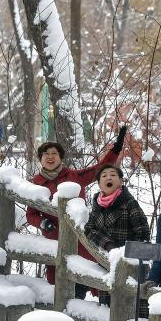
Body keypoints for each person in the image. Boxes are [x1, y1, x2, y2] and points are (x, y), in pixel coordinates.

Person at [26, 126, 128, 296]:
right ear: (40, 158)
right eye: (46, 154)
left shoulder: (73, 176)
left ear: (61, 158)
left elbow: (100, 167)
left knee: (86, 276)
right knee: (59, 284)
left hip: (80, 238)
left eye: (54, 154)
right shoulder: (35, 184)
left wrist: (116, 149)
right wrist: (42, 223)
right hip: (54, 240)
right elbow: (31, 215)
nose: (50, 157)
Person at [85, 163, 150, 310]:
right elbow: (89, 229)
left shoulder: (129, 203)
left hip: (130, 266)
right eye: (104, 175)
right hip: (108, 264)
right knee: (109, 309)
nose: (109, 177)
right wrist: (108, 244)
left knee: (132, 310)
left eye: (113, 175)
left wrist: (129, 256)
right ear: (99, 183)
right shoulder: (97, 204)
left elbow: (143, 233)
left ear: (121, 181)